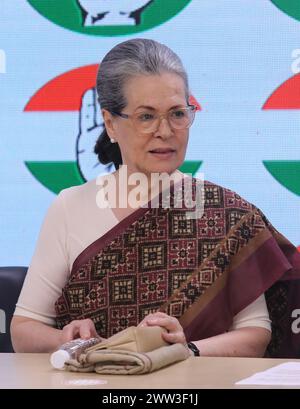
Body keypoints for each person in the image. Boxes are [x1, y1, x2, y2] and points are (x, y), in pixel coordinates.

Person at [11, 39, 300, 357]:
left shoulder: (228, 214)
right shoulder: (70, 206)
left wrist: (185, 350)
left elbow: (255, 333)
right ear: (110, 123)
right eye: (146, 117)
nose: (165, 130)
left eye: (177, 113)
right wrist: (72, 341)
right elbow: (25, 329)